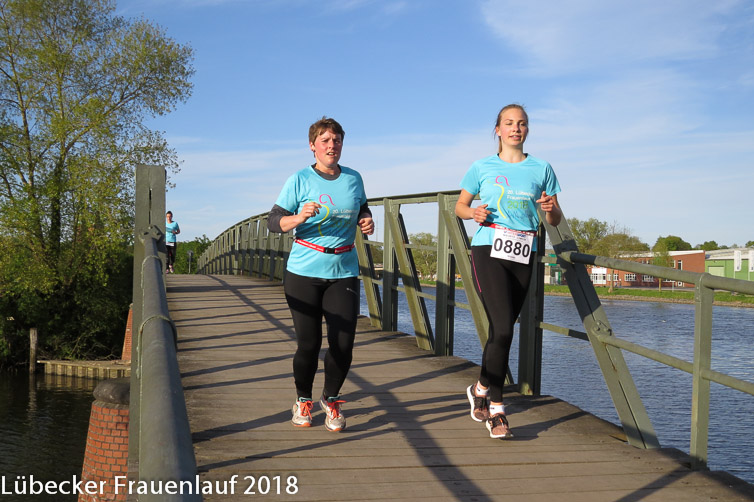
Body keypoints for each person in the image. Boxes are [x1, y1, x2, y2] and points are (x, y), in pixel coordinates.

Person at [455, 104, 562, 439]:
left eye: (522, 123)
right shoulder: (481, 167)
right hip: (489, 248)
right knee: (503, 329)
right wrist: (473, 213)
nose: (516, 128)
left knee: (501, 331)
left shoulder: (541, 168)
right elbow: (459, 206)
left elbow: (555, 217)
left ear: (527, 129)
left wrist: (550, 209)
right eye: (509, 123)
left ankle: (480, 388)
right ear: (498, 130)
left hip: (523, 250)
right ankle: (498, 411)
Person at [268, 117, 374, 432]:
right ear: (312, 146)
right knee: (309, 344)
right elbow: (273, 222)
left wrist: (366, 220)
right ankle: (303, 399)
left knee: (343, 343)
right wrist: (298, 217)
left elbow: (363, 207)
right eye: (325, 140)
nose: (331, 146)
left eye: (336, 140)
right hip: (304, 271)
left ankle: (331, 398)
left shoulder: (353, 178)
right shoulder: (299, 179)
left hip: (343, 269)